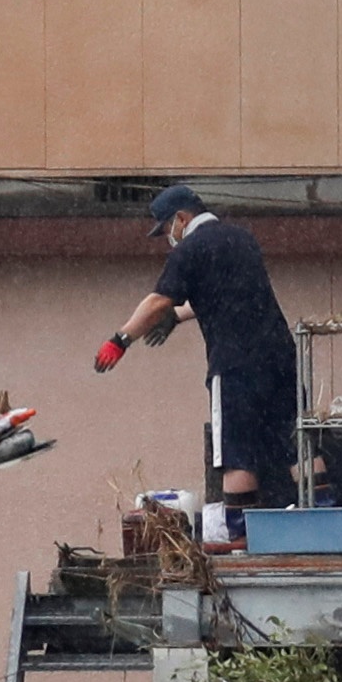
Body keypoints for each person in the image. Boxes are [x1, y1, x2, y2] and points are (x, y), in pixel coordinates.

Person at [94, 185, 296, 507]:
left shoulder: (190, 249)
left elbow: (158, 300)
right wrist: (178, 317)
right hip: (280, 355)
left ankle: (239, 534)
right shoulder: (242, 238)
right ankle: (325, 514)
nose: (168, 238)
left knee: (236, 453)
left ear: (181, 218)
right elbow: (227, 295)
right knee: (294, 442)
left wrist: (120, 340)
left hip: (235, 362)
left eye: (166, 230)